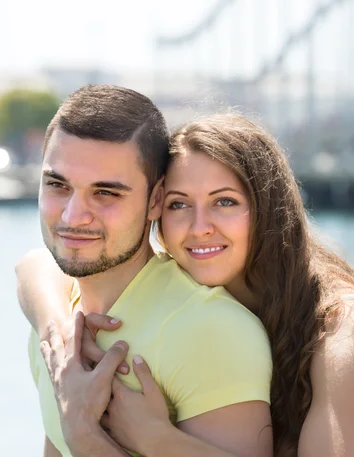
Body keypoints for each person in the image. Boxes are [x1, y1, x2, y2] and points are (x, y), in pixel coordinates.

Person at [19, 113, 354, 457]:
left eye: (225, 202)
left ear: (269, 211)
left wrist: (155, 439)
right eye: (179, 204)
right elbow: (36, 267)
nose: (199, 228)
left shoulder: (346, 327)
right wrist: (58, 338)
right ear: (155, 211)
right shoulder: (194, 302)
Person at [21, 84, 274, 457]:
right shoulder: (56, 325)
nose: (73, 216)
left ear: (156, 200)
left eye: (106, 193)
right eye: (57, 185)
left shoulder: (211, 331)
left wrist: (85, 432)